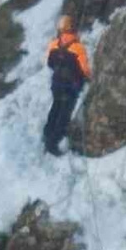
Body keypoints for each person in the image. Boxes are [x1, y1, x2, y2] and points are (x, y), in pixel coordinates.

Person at [43, 15, 91, 156]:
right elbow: (84, 70)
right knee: (64, 115)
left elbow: (50, 63)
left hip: (57, 83)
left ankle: (47, 134)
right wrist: (88, 78)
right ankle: (53, 143)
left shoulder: (54, 44)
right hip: (71, 86)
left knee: (55, 108)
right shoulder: (78, 48)